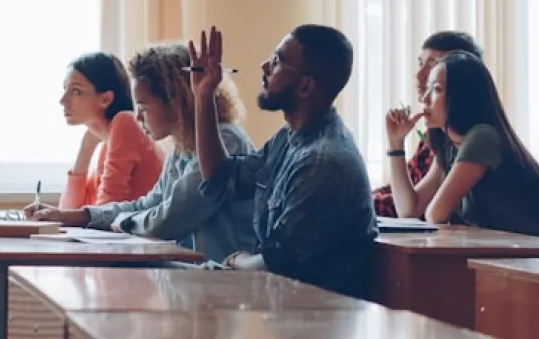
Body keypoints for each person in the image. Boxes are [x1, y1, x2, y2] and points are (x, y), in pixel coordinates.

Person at [190, 25, 378, 298]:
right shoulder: (290, 138)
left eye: (277, 61)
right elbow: (222, 178)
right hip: (280, 308)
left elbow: (275, 267)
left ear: (305, 86)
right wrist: (204, 96)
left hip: (316, 320)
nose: (264, 66)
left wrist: (235, 260)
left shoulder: (321, 164)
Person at [32, 43, 258, 262]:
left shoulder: (225, 141)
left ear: (175, 101)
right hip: (192, 275)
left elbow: (172, 217)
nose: (138, 117)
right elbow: (148, 204)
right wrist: (77, 216)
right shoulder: (183, 148)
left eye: (143, 107)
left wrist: (121, 222)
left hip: (221, 281)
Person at [384, 51, 539, 240]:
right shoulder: (451, 144)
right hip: (511, 253)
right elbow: (409, 210)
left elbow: (436, 213)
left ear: (461, 96)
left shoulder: (483, 137)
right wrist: (396, 143)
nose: (424, 98)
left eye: (436, 89)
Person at [371, 31, 484, 217]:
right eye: (420, 63)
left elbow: (431, 212)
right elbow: (409, 209)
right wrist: (395, 144)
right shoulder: (445, 138)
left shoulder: (479, 137)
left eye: (432, 65)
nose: (420, 75)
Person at [54, 52, 165, 209]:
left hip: (145, 233)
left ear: (106, 99)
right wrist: (86, 148)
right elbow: (68, 210)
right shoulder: (107, 143)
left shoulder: (126, 122)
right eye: (65, 89)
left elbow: (105, 210)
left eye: (76, 91)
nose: (63, 100)